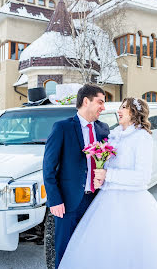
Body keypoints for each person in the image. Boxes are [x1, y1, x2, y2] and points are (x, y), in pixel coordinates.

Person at [58, 98, 157, 269]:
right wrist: (100, 176)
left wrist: (108, 175)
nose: (119, 110)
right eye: (120, 107)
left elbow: (142, 177)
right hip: (106, 200)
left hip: (131, 204)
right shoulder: (114, 135)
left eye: (124, 107)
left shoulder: (142, 137)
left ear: (135, 113)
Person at [42, 84, 110, 269]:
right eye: (100, 102)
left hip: (95, 201)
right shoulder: (62, 127)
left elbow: (109, 161)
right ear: (86, 101)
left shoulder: (103, 129)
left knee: (91, 250)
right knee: (64, 252)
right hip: (68, 203)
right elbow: (48, 168)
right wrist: (54, 200)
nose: (103, 107)